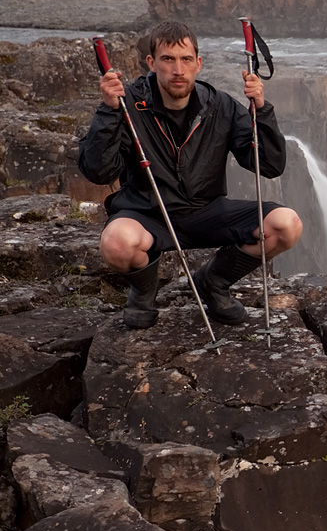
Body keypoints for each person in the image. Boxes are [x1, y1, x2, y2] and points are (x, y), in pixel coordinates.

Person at [78, 20, 302, 329]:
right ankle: (144, 291)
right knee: (117, 243)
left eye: (185, 60)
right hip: (148, 214)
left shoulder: (220, 106)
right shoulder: (127, 105)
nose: (177, 70)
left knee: (286, 225)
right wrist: (108, 111)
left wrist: (261, 110)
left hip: (208, 211)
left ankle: (213, 281)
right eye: (168, 59)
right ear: (151, 63)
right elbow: (98, 171)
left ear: (198, 63)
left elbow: (269, 165)